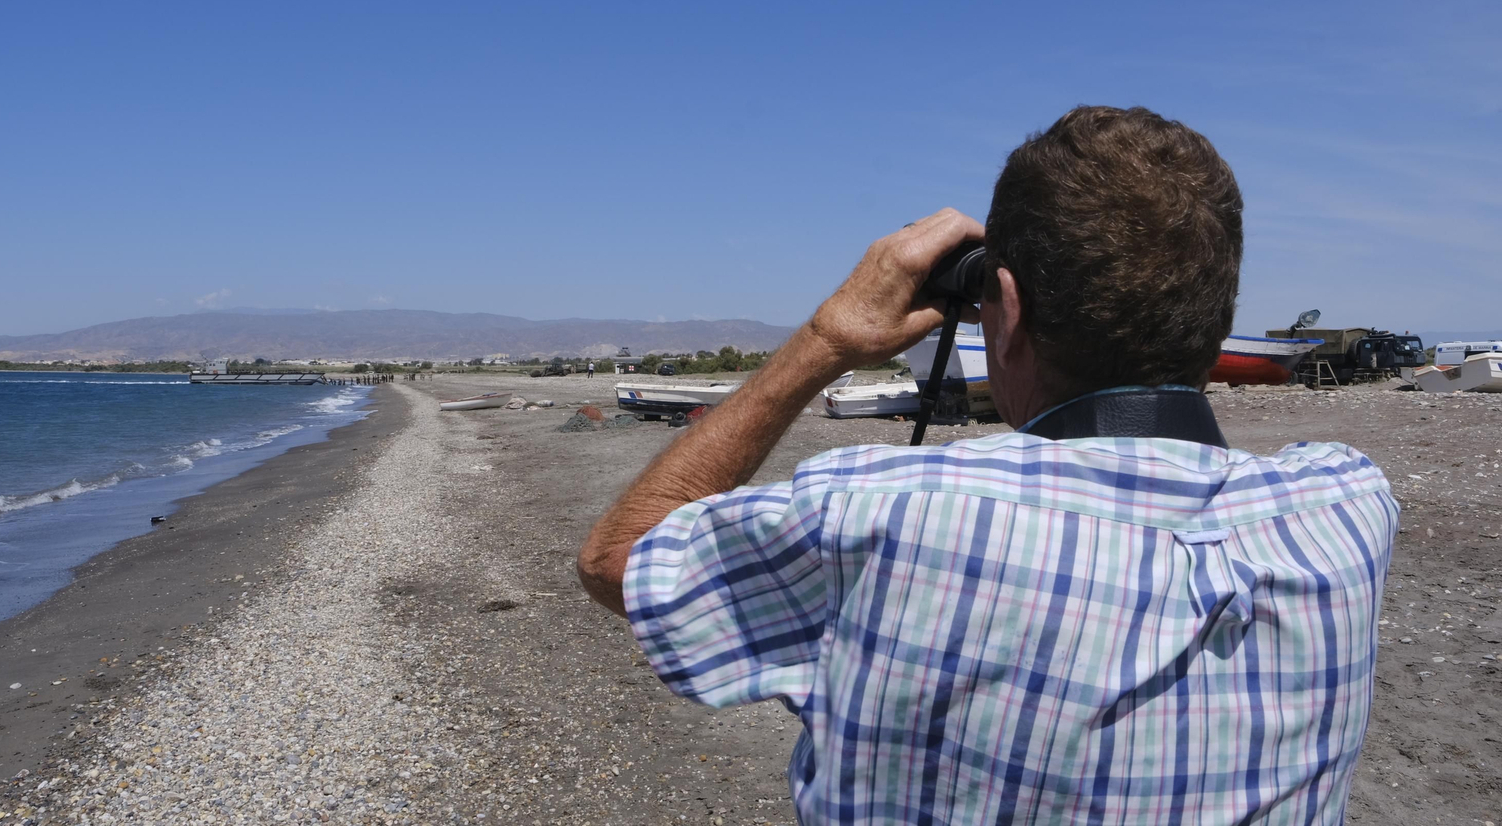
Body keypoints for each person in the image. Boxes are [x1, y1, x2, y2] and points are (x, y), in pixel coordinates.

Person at [577, 107, 1397, 824]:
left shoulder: (877, 516)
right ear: (1213, 315)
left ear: (1003, 309)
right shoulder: (1345, 508)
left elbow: (619, 559)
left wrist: (828, 338)